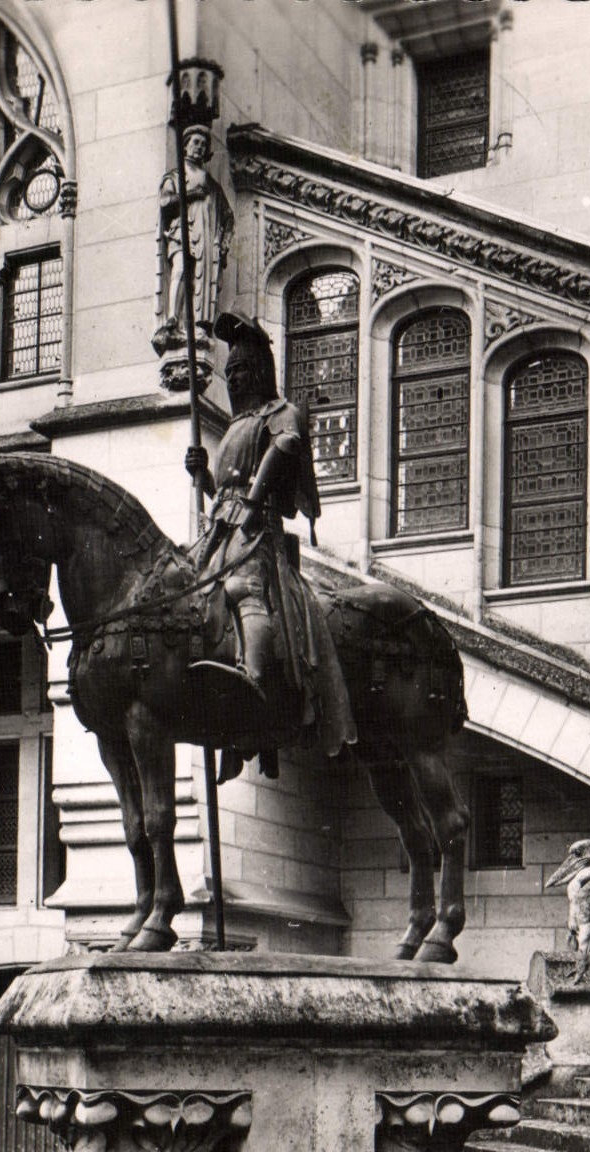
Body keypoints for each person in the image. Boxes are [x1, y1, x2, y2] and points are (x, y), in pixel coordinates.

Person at [187, 310, 357, 767]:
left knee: (244, 589)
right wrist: (203, 474)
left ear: (260, 370)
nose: (235, 380)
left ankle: (255, 686)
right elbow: (221, 489)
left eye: (241, 371)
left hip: (258, 529)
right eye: (230, 373)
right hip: (221, 528)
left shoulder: (282, 412)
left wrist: (253, 501)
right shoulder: (236, 426)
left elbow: (287, 447)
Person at [153, 126, 234, 354]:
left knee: (200, 280)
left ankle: (198, 326)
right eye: (195, 142)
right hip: (182, 231)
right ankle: (173, 320)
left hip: (206, 241)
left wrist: (224, 244)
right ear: (186, 145)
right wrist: (190, 195)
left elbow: (228, 216)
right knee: (180, 269)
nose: (199, 147)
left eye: (203, 144)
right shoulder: (175, 176)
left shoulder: (212, 185)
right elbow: (165, 202)